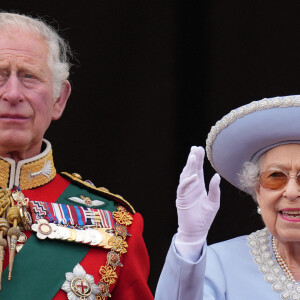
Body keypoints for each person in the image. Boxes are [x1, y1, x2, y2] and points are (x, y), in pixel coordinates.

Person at [0, 12, 153, 300]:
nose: (12, 93)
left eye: (29, 77)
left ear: (59, 99)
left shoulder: (115, 223)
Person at [155, 95, 300, 299]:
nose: (292, 192)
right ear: (257, 190)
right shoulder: (217, 265)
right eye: (275, 176)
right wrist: (189, 242)